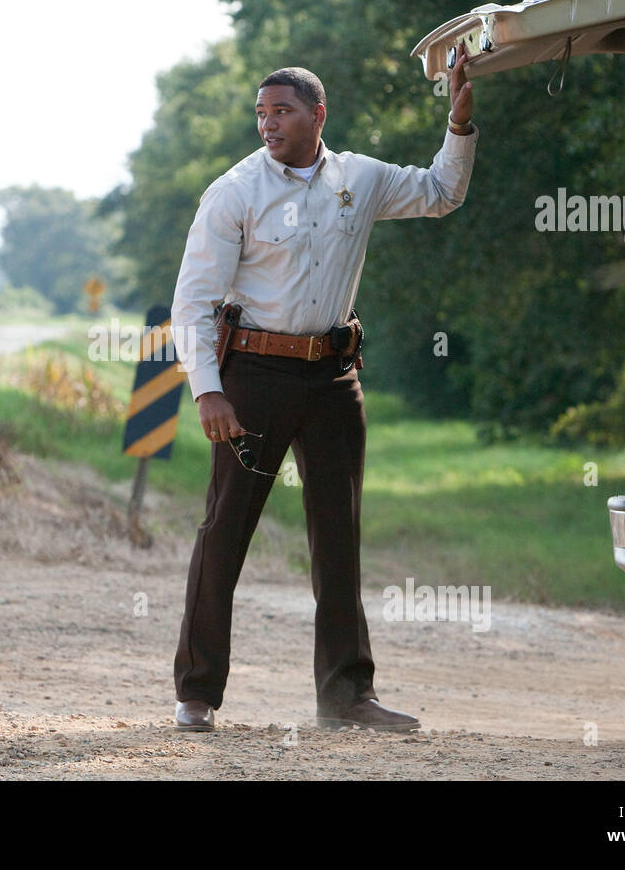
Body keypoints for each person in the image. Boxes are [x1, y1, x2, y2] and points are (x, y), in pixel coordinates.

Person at [170, 52, 477, 732]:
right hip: (252, 379)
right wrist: (207, 392)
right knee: (226, 529)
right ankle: (196, 693)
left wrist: (458, 121)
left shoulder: (361, 178)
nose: (268, 124)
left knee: (339, 536)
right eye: (261, 113)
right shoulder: (235, 192)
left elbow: (440, 192)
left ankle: (348, 698)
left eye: (281, 111)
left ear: (318, 114)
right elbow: (191, 302)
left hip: (335, 378)